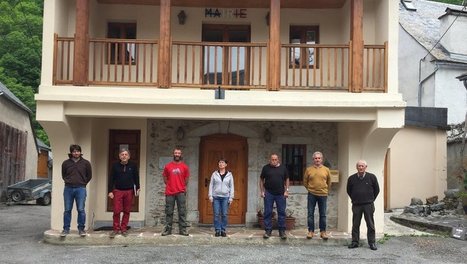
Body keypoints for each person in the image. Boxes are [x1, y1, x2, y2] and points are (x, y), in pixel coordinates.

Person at [347, 160, 380, 250]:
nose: (361, 167)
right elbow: (349, 190)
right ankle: (355, 242)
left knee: (370, 224)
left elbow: (377, 190)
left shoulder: (372, 177)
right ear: (356, 167)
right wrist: (355, 198)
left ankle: (372, 243)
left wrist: (371, 199)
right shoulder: (351, 178)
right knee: (355, 224)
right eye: (359, 166)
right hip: (356, 205)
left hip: (368, 205)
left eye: (362, 166)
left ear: (366, 167)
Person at [60, 144, 92, 237]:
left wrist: (83, 183)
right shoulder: (65, 163)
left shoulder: (86, 163)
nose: (76, 153)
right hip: (68, 189)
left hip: (81, 189)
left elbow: (89, 176)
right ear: (71, 152)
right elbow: (63, 175)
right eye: (74, 151)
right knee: (67, 210)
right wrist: (68, 181)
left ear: (80, 152)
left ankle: (81, 229)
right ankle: (66, 229)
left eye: (78, 151)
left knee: (81, 209)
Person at [108, 149, 140, 238]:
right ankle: (116, 229)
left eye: (126, 154)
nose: (124, 156)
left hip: (129, 191)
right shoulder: (115, 166)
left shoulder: (133, 166)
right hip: (118, 190)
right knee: (116, 211)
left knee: (127, 211)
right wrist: (110, 191)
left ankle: (124, 229)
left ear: (129, 156)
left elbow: (136, 177)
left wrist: (138, 188)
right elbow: (111, 179)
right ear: (119, 156)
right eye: (122, 154)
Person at [260, 153, 289, 240]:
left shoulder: (283, 168)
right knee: (268, 212)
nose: (274, 161)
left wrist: (286, 191)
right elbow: (261, 179)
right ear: (270, 160)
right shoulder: (266, 168)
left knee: (281, 212)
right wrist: (262, 191)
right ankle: (268, 230)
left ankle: (282, 231)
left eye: (275, 159)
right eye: (272, 159)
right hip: (269, 193)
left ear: (278, 160)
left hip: (280, 193)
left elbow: (287, 179)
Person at [161, 147, 190, 236]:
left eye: (179, 153)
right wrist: (170, 185)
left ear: (181, 155)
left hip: (181, 192)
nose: (177, 154)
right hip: (170, 192)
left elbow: (186, 179)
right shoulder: (168, 166)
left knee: (182, 212)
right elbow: (165, 178)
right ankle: (168, 230)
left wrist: (180, 186)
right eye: (176, 153)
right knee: (169, 212)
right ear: (173, 154)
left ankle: (183, 230)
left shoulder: (185, 167)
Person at [303, 151, 331, 240]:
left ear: (321, 159)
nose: (317, 160)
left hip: (323, 194)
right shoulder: (308, 170)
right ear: (313, 160)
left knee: (323, 214)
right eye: (315, 158)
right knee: (310, 214)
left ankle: (323, 232)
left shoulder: (326, 170)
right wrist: (310, 189)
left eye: (319, 158)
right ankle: (311, 231)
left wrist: (326, 190)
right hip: (312, 194)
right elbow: (305, 181)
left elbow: (329, 182)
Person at [208, 159, 234, 237]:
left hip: (225, 197)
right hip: (216, 197)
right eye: (219, 162)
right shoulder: (214, 174)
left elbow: (231, 186)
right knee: (216, 214)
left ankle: (223, 230)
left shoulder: (229, 175)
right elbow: (211, 185)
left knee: (224, 214)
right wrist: (210, 195)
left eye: (223, 162)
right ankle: (217, 230)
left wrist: (231, 197)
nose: (221, 164)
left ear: (226, 165)